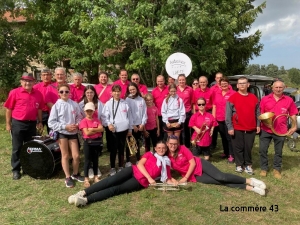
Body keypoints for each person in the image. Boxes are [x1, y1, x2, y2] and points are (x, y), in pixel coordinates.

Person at [68, 141, 175, 207]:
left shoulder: (166, 162)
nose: (161, 150)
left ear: (166, 149)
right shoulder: (149, 154)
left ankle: (86, 200)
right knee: (110, 181)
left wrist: (179, 182)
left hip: (139, 181)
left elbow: (168, 178)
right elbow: (140, 165)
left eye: (163, 148)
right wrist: (150, 178)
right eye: (159, 148)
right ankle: (83, 193)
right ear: (155, 148)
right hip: (132, 170)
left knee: (116, 189)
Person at [166, 135, 266, 196]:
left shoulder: (182, 148)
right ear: (167, 143)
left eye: (175, 144)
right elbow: (166, 171)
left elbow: (192, 162)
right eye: (171, 143)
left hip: (199, 165)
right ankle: (251, 188)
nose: (173, 146)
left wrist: (185, 177)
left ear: (178, 143)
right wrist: (173, 180)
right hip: (194, 176)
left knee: (221, 177)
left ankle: (250, 181)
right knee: (219, 182)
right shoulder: (166, 157)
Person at [4, 73, 43, 180]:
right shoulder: (14, 92)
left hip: (31, 124)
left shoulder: (38, 93)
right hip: (18, 123)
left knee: (29, 147)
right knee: (17, 148)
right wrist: (8, 124)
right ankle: (16, 170)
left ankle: (27, 167)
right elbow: (8, 109)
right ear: (21, 82)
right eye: (25, 81)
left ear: (34, 82)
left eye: (30, 81)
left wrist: (39, 121)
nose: (27, 83)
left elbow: (39, 108)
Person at [259, 80, 298, 179]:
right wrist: (263, 123)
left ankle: (276, 169)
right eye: (276, 87)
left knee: (278, 151)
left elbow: (293, 113)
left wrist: (294, 126)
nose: (278, 89)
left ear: (284, 88)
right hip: (266, 129)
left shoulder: (289, 100)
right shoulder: (265, 99)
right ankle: (264, 168)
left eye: (280, 87)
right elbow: (261, 114)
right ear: (272, 88)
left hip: (281, 130)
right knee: (263, 150)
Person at [48, 84, 84, 187]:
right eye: (62, 92)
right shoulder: (56, 106)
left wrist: (77, 124)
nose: (64, 93)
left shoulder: (74, 104)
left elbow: (79, 117)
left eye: (66, 91)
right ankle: (68, 177)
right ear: (58, 93)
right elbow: (51, 122)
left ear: (70, 93)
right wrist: (65, 127)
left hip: (73, 133)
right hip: (62, 133)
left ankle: (75, 174)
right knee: (65, 155)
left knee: (76, 156)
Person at [226, 77, 260, 175]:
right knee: (238, 147)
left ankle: (248, 165)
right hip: (237, 127)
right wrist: (230, 127)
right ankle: (239, 165)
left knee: (248, 147)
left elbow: (258, 112)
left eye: (244, 83)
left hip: (251, 127)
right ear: (237, 85)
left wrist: (258, 124)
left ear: (248, 85)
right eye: (240, 83)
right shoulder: (232, 98)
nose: (242, 85)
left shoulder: (253, 97)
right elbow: (227, 114)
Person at [103, 84, 133, 176]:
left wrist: (130, 129)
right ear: (111, 92)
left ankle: (120, 166)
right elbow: (104, 117)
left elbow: (130, 117)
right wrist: (108, 124)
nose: (116, 93)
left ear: (121, 92)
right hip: (114, 131)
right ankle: (112, 167)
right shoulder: (108, 104)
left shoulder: (125, 103)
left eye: (118, 91)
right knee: (113, 149)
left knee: (121, 148)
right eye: (115, 91)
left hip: (124, 130)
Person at [79, 85, 106, 178]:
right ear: (85, 94)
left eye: (91, 92)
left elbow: (103, 116)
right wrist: (86, 129)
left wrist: (96, 128)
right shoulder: (81, 104)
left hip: (97, 128)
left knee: (96, 151)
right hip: (86, 130)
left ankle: (95, 167)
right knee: (88, 151)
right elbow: (80, 118)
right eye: (87, 92)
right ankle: (89, 168)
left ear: (94, 93)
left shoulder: (99, 103)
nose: (89, 94)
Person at [79, 102, 104, 188]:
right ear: (85, 111)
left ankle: (96, 176)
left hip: (96, 142)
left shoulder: (96, 119)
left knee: (95, 159)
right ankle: (86, 178)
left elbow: (101, 129)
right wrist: (96, 129)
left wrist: (91, 129)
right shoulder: (83, 121)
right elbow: (87, 132)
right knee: (87, 160)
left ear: (93, 111)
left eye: (91, 111)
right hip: (88, 143)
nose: (89, 113)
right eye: (87, 111)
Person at [212, 77, 235, 163]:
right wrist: (214, 118)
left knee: (229, 138)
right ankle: (226, 152)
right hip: (219, 119)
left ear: (228, 84)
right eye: (222, 84)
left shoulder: (233, 93)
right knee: (223, 137)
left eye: (225, 83)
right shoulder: (217, 93)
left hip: (229, 120)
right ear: (220, 85)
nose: (224, 85)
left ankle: (231, 155)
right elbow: (214, 106)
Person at [125, 82, 147, 166]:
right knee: (129, 144)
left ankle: (138, 159)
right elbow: (128, 114)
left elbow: (144, 113)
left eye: (133, 89)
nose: (132, 91)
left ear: (137, 89)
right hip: (131, 125)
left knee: (137, 143)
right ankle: (128, 160)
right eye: (130, 90)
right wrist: (132, 125)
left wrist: (142, 124)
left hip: (139, 125)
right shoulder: (127, 100)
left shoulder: (141, 99)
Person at [94, 71, 113, 153]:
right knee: (99, 131)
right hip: (99, 111)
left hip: (109, 112)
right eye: (101, 77)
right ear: (99, 78)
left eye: (105, 77)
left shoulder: (111, 87)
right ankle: (99, 148)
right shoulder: (95, 87)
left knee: (109, 130)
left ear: (107, 78)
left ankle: (110, 146)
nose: (103, 78)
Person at [33, 68, 53, 133]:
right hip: (40, 112)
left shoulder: (55, 86)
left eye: (48, 75)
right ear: (40, 76)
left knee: (52, 133)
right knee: (38, 132)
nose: (46, 77)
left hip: (51, 112)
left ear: (51, 76)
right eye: (44, 75)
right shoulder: (36, 87)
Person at [176, 74, 193, 148]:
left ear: (185, 80)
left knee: (186, 131)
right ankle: (179, 147)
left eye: (183, 79)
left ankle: (187, 147)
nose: (181, 81)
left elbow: (192, 101)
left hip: (187, 112)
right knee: (178, 130)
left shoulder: (189, 89)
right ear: (178, 81)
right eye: (180, 80)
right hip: (177, 113)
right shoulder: (175, 89)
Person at [152, 75, 169, 140]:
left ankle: (166, 146)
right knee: (159, 132)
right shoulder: (154, 91)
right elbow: (152, 103)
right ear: (156, 82)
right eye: (158, 81)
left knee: (166, 132)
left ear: (164, 81)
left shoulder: (168, 89)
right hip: (158, 115)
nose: (160, 83)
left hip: (167, 115)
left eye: (161, 81)